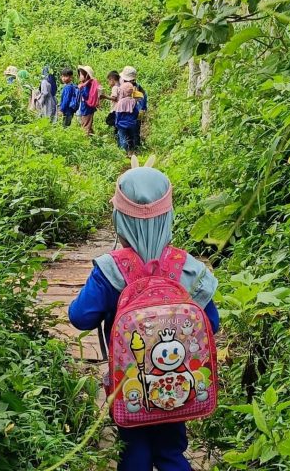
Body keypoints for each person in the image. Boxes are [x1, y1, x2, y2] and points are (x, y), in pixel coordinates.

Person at [68, 164, 219, 471]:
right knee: (171, 450)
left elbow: (80, 317)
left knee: (133, 452)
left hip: (130, 386)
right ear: (169, 216)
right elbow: (211, 324)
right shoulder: (186, 266)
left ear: (119, 220)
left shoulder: (111, 270)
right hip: (178, 385)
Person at [121, 66, 147, 148]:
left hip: (130, 115)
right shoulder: (139, 87)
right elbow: (144, 100)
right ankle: (135, 148)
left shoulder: (133, 89)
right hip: (135, 114)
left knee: (129, 132)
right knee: (134, 131)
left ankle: (132, 148)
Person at [115, 83, 139, 154]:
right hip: (132, 124)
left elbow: (118, 114)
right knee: (131, 137)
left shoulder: (120, 102)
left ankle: (123, 152)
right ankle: (132, 151)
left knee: (123, 138)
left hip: (121, 124)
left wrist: (116, 123)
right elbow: (136, 112)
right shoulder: (134, 101)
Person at [77, 66, 100, 136]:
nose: (79, 76)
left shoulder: (87, 86)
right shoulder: (86, 84)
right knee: (88, 125)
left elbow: (86, 96)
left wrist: (81, 89)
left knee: (85, 126)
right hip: (86, 109)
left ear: (86, 75)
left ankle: (86, 142)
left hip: (87, 109)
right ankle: (94, 139)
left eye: (81, 74)